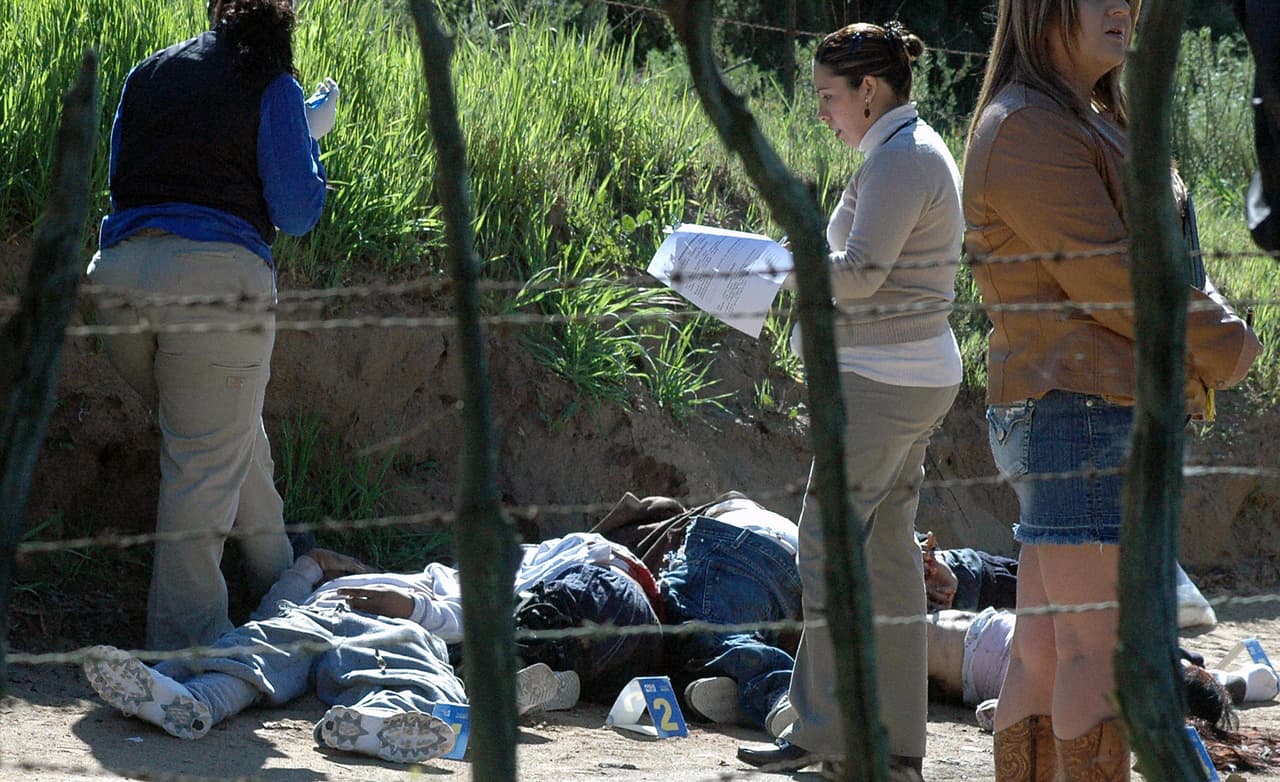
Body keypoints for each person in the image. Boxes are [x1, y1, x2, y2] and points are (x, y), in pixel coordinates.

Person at [962, 0, 1263, 779]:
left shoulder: (1078, 117)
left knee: (1046, 648)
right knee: (1096, 654)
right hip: (1082, 410)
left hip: (1076, 405)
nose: (1124, 7)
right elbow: (1111, 277)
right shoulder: (1030, 127)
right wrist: (1229, 344)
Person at [737, 21, 964, 781]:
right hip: (904, 377)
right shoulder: (904, 151)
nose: (821, 112)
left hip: (883, 382)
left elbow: (861, 273)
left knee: (827, 545)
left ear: (870, 90)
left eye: (828, 95)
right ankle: (894, 748)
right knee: (886, 555)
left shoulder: (902, 159)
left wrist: (782, 263)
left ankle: (826, 736)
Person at [85, 0, 337, 651]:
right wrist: (310, 138)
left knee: (222, 433)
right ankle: (186, 653)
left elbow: (121, 183)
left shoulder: (149, 72)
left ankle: (278, 574)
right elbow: (296, 210)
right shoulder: (272, 83)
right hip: (215, 287)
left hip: (117, 279)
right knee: (203, 459)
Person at [82, 549, 579, 763]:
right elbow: (272, 611)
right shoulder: (326, 586)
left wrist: (409, 605)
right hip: (313, 618)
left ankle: (376, 725)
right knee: (256, 649)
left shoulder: (427, 582)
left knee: (405, 673)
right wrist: (311, 565)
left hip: (396, 627)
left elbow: (469, 616)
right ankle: (190, 701)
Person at [657, 494, 802, 734]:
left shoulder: (723, 527)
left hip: (737, 547)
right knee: (722, 634)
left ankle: (782, 693)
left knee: (706, 628)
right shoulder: (771, 521)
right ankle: (743, 691)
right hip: (794, 565)